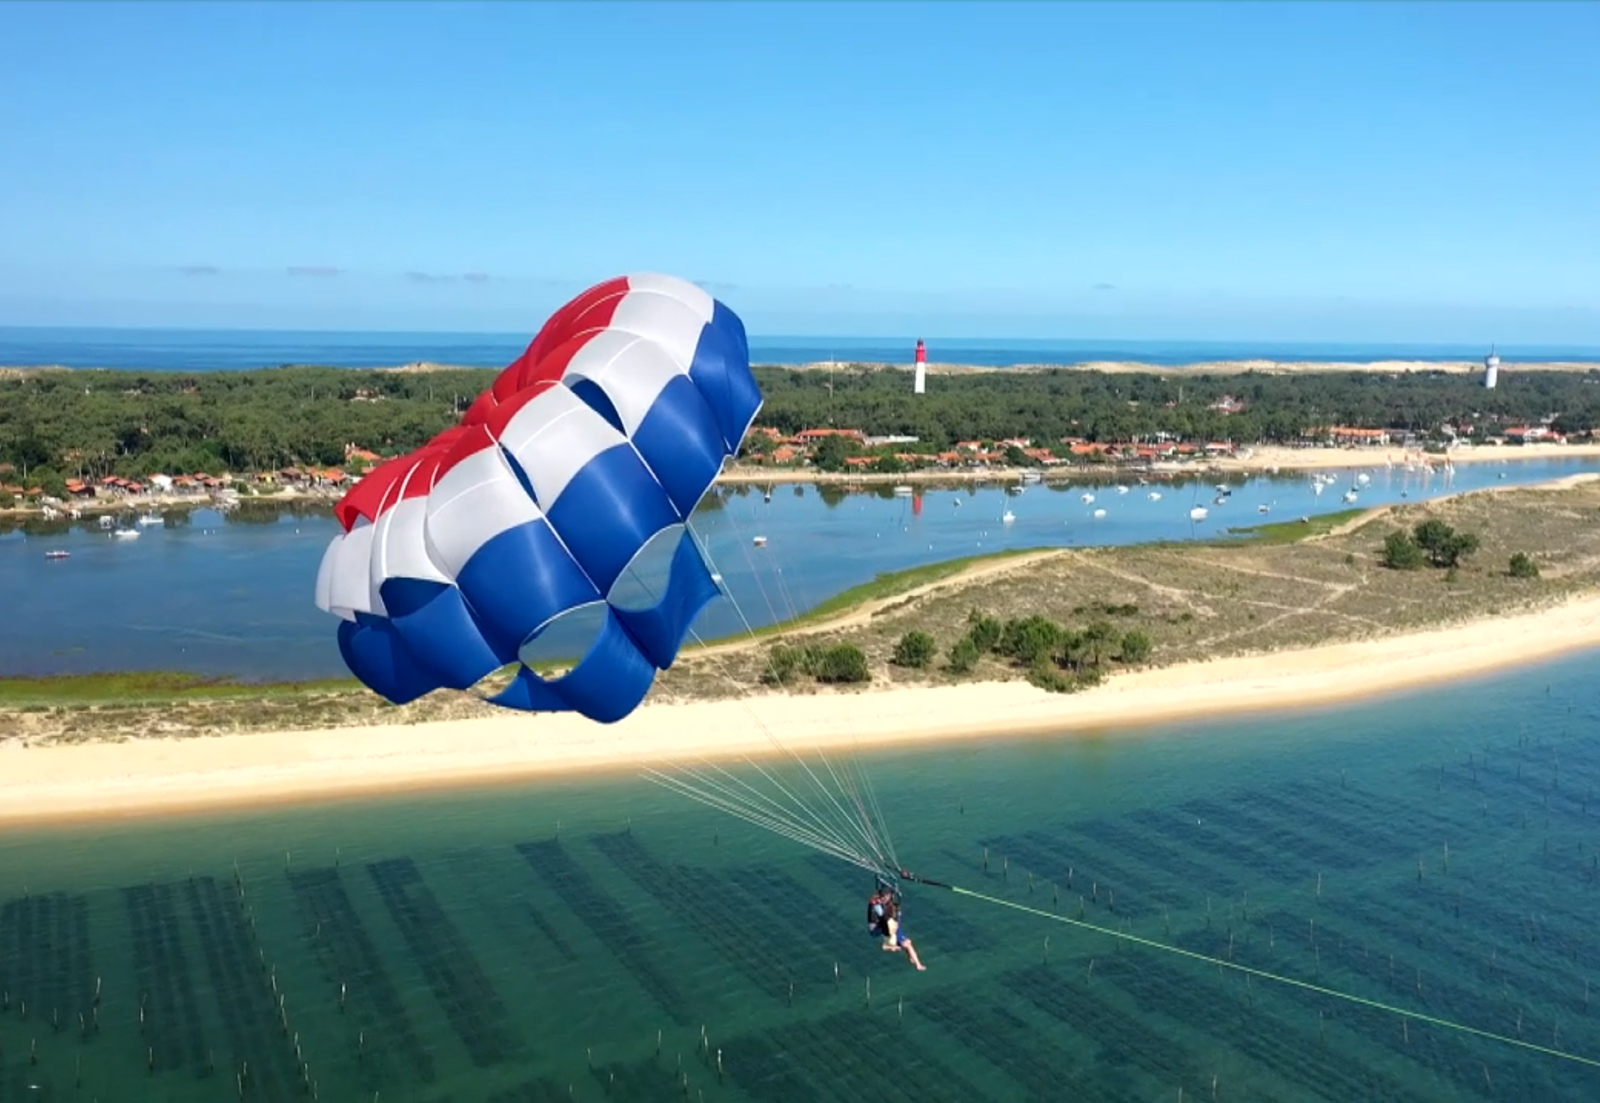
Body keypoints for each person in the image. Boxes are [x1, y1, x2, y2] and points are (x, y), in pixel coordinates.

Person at [867, 883, 926, 971]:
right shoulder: (876, 905)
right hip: (876, 928)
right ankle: (918, 964)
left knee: (907, 943)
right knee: (906, 943)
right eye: (883, 896)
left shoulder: (884, 902)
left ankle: (910, 956)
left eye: (886, 896)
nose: (884, 898)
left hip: (884, 925)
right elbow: (883, 917)